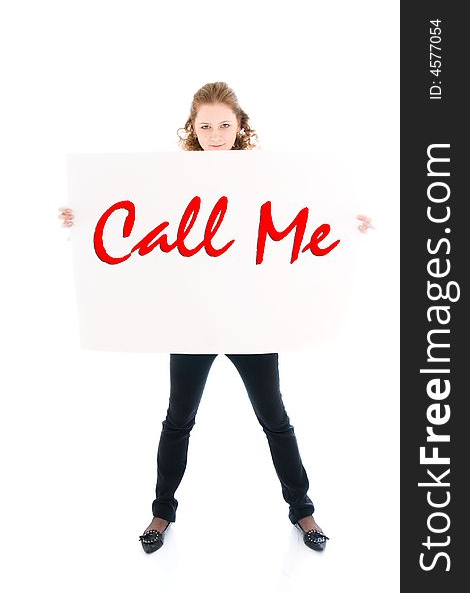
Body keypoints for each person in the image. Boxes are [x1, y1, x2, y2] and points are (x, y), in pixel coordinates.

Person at [58, 81, 373, 554]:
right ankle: (161, 512)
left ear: (241, 126)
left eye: (225, 125)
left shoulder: (266, 175)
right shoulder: (174, 177)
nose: (215, 133)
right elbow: (131, 216)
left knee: (275, 419)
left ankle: (302, 510)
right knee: (178, 418)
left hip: (251, 318)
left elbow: (303, 215)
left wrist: (348, 221)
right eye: (205, 125)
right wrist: (79, 217)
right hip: (193, 318)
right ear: (193, 128)